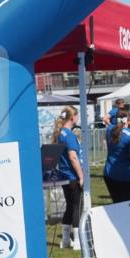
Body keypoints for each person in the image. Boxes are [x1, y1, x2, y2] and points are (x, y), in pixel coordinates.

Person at [52, 106, 84, 249]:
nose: (77, 119)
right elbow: (73, 157)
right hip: (71, 175)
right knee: (77, 205)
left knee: (70, 206)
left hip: (63, 175)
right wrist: (81, 175)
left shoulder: (60, 133)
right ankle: (77, 240)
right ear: (72, 118)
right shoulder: (69, 135)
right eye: (76, 116)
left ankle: (65, 240)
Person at [102, 109, 130, 203]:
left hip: (109, 173)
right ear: (127, 119)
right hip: (126, 176)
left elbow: (111, 125)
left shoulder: (109, 130)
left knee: (117, 204)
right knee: (129, 206)